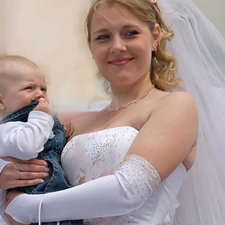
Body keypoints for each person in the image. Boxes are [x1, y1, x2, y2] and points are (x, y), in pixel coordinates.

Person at [2, 0, 225, 224]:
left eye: (130, 33)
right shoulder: (73, 126)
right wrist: (5, 176)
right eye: (103, 37)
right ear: (91, 47)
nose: (117, 46)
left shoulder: (175, 106)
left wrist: (29, 207)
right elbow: (25, 160)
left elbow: (128, 190)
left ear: (155, 37)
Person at [0, 55, 82, 225]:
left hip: (53, 201)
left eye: (43, 89)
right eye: (29, 88)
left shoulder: (38, 122)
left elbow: (50, 150)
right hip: (32, 205)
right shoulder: (6, 129)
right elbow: (28, 146)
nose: (40, 94)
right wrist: (42, 118)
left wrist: (60, 131)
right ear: (1, 100)